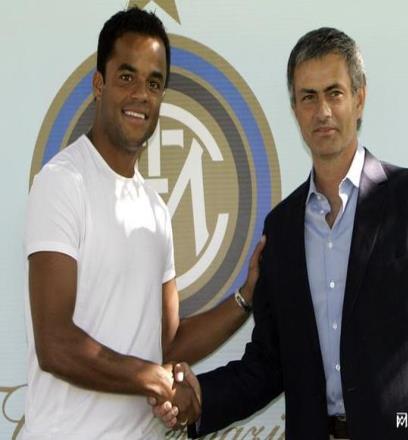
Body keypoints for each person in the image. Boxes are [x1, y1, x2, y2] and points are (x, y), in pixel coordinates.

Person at [157, 27, 408, 439]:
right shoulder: (282, 229)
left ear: (359, 99)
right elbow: (270, 364)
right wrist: (200, 396)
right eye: (308, 97)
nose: (322, 111)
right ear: (294, 108)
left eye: (335, 93)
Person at [22, 7, 263, 440]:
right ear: (99, 84)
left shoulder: (154, 209)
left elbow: (167, 344)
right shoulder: (62, 183)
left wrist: (246, 297)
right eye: (126, 77)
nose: (141, 94)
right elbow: (54, 344)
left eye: (154, 83)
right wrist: (152, 378)